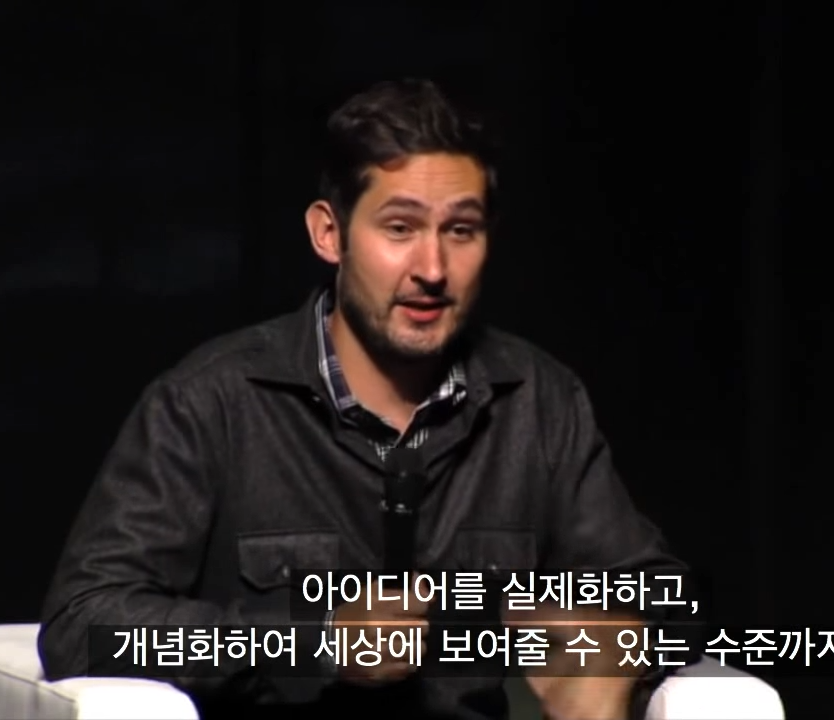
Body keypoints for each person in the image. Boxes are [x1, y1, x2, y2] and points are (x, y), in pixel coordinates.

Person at [38, 78, 699, 720]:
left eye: (460, 231)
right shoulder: (209, 403)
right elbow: (83, 623)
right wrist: (313, 640)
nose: (432, 269)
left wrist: (615, 644)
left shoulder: (538, 402)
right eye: (400, 228)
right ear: (330, 234)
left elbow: (670, 595)